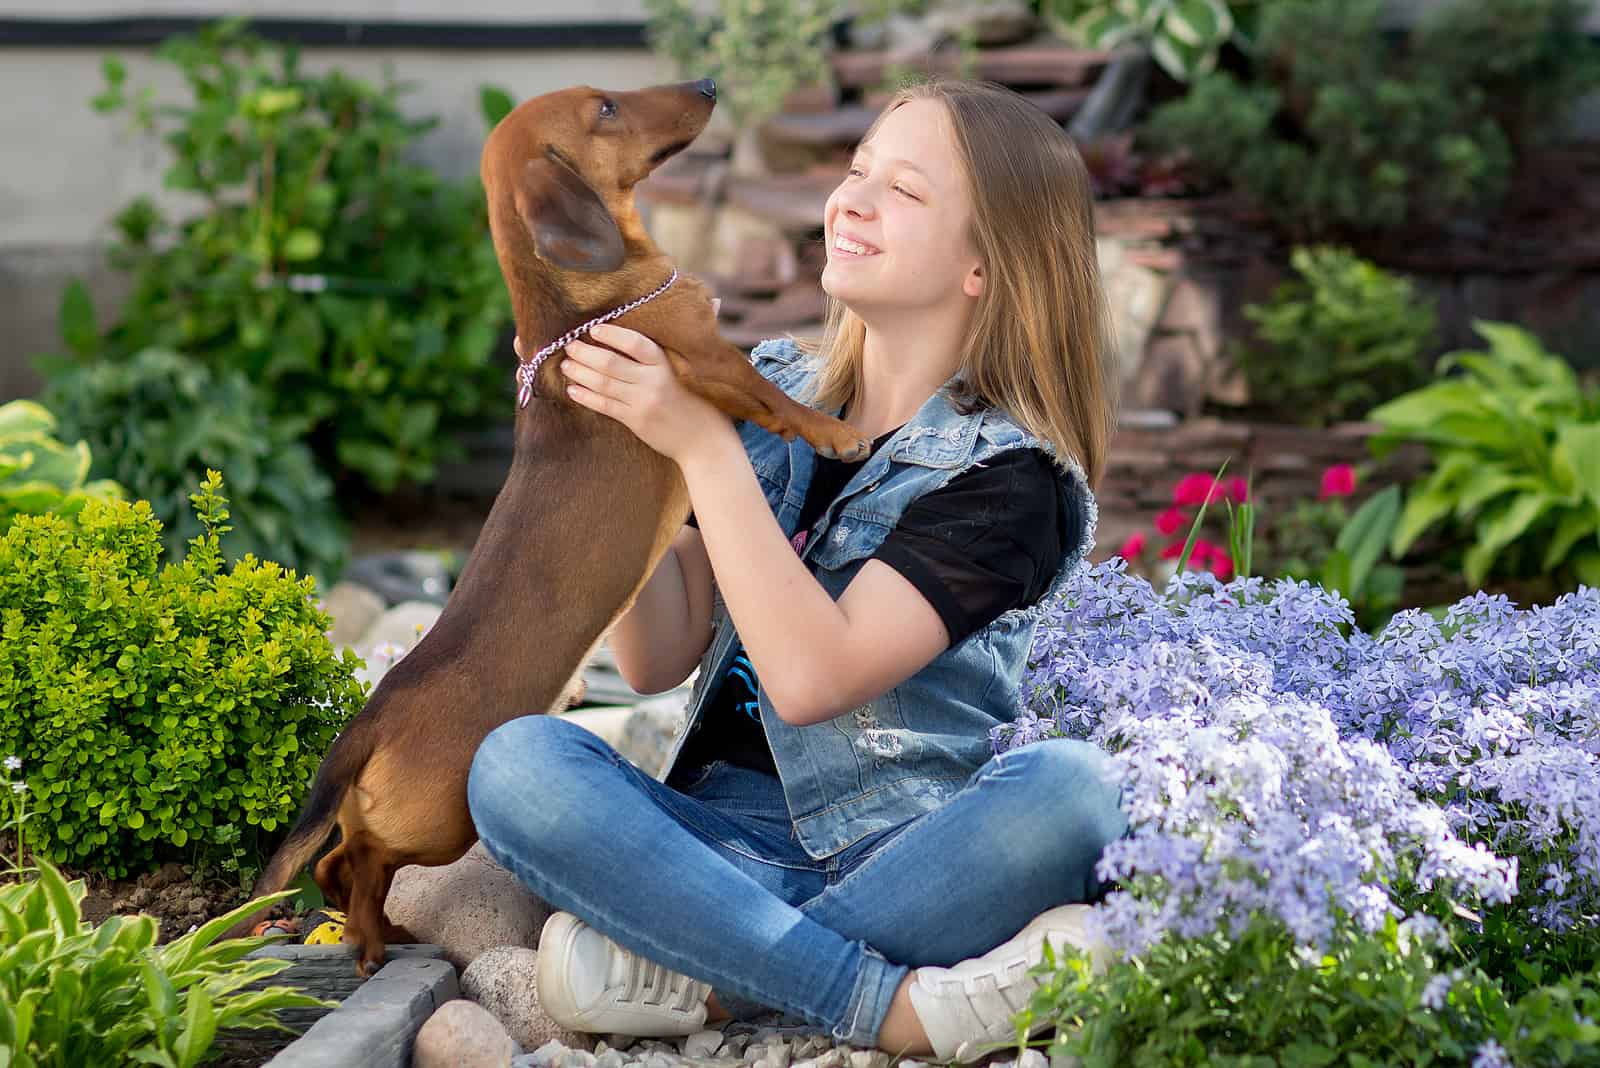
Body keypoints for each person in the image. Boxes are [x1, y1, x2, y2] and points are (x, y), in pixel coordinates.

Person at [467, 77, 1129, 1062]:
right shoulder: (767, 390)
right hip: (702, 836)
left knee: (1074, 792)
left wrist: (700, 449)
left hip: (899, 852)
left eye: (902, 192)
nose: (849, 201)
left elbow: (814, 678)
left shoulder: (1012, 480)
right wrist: (600, 450)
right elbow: (653, 656)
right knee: (519, 763)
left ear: (983, 265)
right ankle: (882, 1000)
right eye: (856, 171)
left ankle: (712, 968)